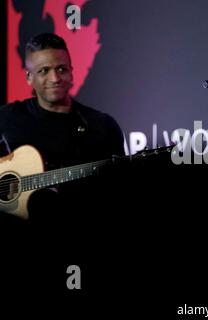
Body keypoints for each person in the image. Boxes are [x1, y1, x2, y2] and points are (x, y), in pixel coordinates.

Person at [0, 33, 125, 291]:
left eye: (61, 69)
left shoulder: (101, 125)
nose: (55, 78)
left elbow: (119, 194)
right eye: (44, 71)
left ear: (71, 71)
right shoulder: (8, 118)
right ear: (28, 77)